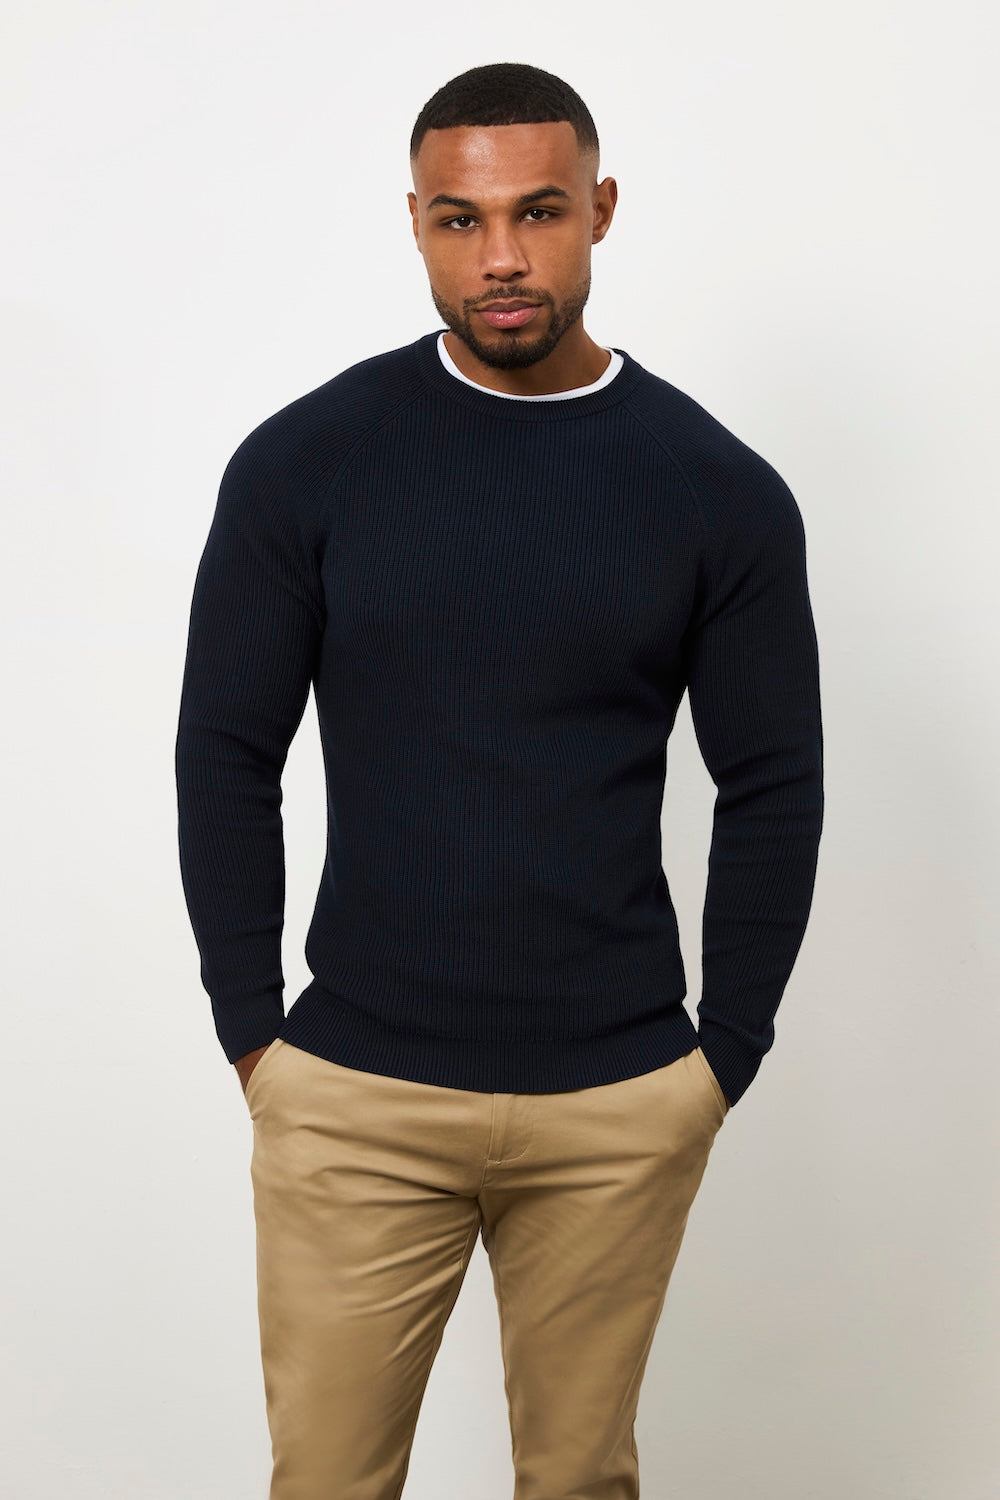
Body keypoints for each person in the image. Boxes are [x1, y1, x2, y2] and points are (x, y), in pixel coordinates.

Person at [175, 60, 824, 1500]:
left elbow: (774, 780)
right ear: (415, 222)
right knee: (325, 1482)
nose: (503, 259)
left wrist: (723, 1055)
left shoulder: (715, 489)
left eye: (539, 212)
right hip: (355, 1094)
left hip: (618, 1100)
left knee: (580, 1483)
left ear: (601, 208)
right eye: (460, 220)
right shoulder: (306, 464)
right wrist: (253, 1034)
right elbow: (226, 747)